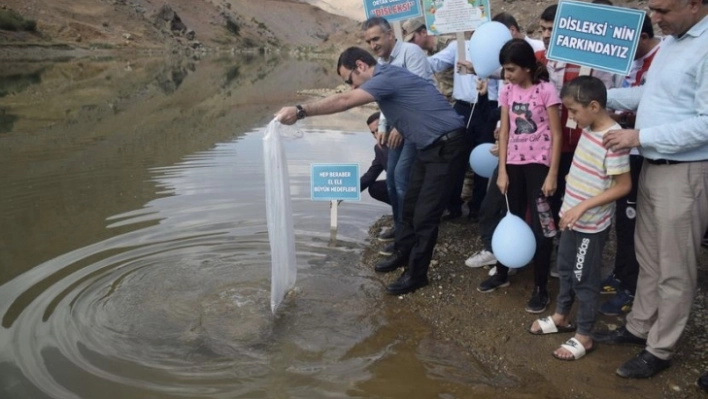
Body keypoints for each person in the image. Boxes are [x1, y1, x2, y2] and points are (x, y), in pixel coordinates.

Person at [275, 47, 467, 296]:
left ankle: (417, 275)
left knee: (425, 215)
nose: (352, 87)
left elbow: (344, 101)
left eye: (349, 80)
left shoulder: (385, 78)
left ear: (361, 66)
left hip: (447, 146)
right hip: (427, 146)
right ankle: (402, 256)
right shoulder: (387, 77)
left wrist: (300, 111)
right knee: (408, 207)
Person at [594, 0, 708, 379]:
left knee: (675, 267)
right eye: (652, 9)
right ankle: (639, 326)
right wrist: (598, 98)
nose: (654, 19)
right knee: (649, 256)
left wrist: (640, 135)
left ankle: (660, 348)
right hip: (652, 166)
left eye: (662, 10)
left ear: (694, 5)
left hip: (686, 172)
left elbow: (706, 124)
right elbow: (651, 96)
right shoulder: (674, 42)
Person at [528, 76, 631, 361]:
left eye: (573, 111)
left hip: (590, 224)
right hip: (571, 217)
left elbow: (623, 186)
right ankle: (561, 315)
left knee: (584, 278)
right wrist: (569, 208)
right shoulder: (588, 127)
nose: (570, 117)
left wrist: (582, 207)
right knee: (565, 267)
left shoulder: (613, 138)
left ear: (594, 106)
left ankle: (584, 335)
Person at [476, 39, 562, 315]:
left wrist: (552, 174)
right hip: (512, 163)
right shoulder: (507, 90)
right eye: (504, 69)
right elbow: (505, 131)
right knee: (508, 217)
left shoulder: (546, 90)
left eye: (511, 69)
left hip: (539, 166)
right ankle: (502, 271)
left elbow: (557, 135)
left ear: (527, 67)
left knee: (542, 226)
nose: (506, 75)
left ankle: (540, 288)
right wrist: (501, 170)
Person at [599, 14, 661, 316]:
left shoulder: (660, 59)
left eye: (629, 45)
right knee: (623, 218)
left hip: (645, 151)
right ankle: (622, 272)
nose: (622, 51)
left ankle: (632, 287)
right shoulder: (632, 64)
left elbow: (652, 104)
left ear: (644, 38)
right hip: (626, 148)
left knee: (635, 220)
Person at [362, 17, 434, 249]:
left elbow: (417, 96)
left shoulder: (411, 52)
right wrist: (383, 127)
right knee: (392, 179)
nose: (373, 45)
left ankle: (409, 235)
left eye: (376, 38)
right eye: (369, 41)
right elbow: (386, 99)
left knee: (402, 178)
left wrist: (400, 128)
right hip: (398, 126)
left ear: (390, 35)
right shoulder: (382, 63)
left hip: (418, 124)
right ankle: (401, 227)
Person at [428, 33, 498, 222]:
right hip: (462, 108)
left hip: (488, 108)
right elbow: (434, 63)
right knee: (455, 158)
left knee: (483, 158)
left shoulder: (497, 45)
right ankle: (453, 207)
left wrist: (500, 121)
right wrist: (409, 59)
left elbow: (505, 80)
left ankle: (477, 208)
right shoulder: (458, 46)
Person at [401, 16, 454, 102]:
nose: (411, 44)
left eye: (412, 39)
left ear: (423, 32)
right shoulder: (422, 54)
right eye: (408, 42)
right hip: (445, 101)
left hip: (463, 101)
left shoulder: (449, 44)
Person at [359, 112, 390, 208]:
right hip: (399, 185)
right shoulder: (379, 149)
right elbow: (370, 175)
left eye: (378, 130)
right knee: (375, 188)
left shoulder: (408, 142)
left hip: (420, 185)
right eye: (373, 132)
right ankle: (404, 209)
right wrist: (347, 192)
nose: (376, 135)